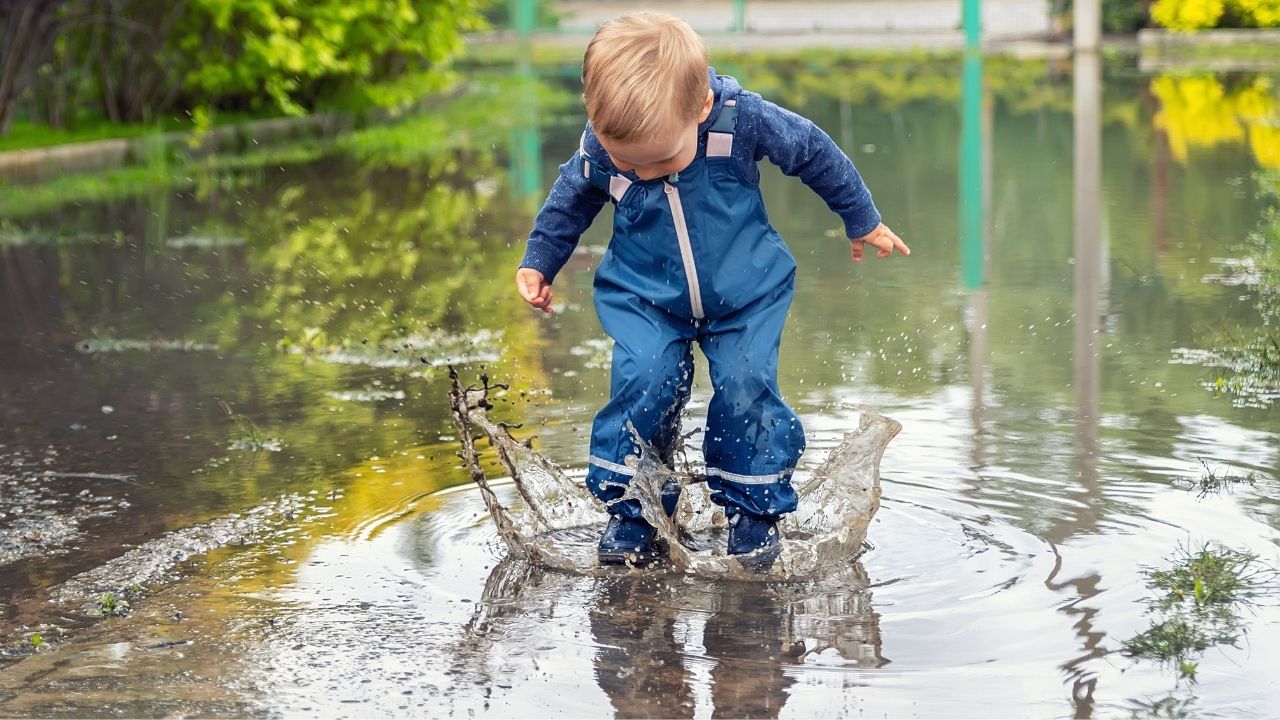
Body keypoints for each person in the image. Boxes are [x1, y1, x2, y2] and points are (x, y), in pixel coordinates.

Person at [515, 12, 909, 566]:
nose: (645, 175)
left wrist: (860, 218)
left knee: (747, 385)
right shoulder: (603, 147)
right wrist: (540, 261)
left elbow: (814, 151)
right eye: (632, 164)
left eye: (661, 160)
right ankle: (635, 509)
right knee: (643, 384)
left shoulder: (740, 122)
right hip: (644, 297)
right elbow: (571, 199)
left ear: (700, 110)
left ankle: (752, 511)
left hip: (747, 294)